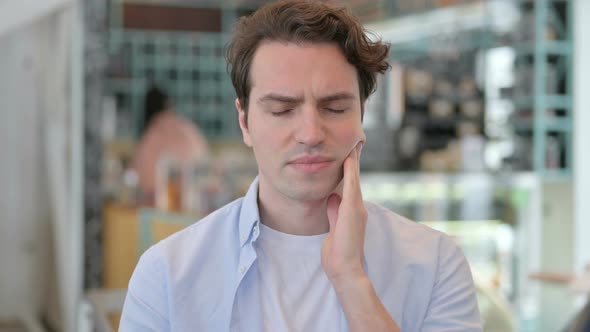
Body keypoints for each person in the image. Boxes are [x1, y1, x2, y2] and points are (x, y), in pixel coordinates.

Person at [120, 1, 482, 331]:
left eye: (335, 108)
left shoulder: (434, 266)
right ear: (245, 122)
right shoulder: (167, 275)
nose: (310, 133)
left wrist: (351, 279)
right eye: (281, 109)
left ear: (362, 116)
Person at [131, 85, 209, 202]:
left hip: (159, 204)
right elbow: (205, 162)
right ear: (169, 105)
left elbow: (139, 178)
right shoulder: (188, 128)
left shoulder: (151, 134)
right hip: (196, 202)